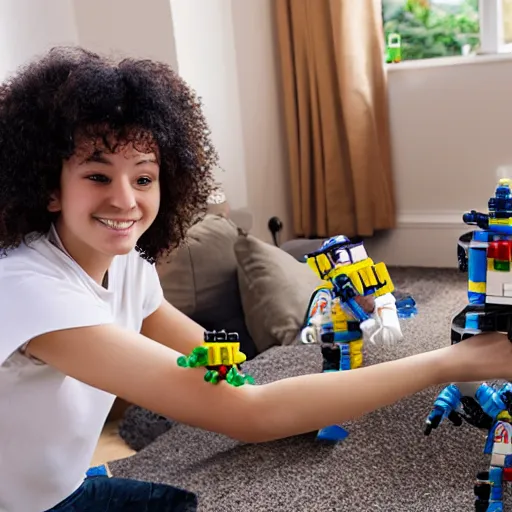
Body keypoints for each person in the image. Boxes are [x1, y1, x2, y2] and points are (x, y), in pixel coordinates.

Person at [1, 46, 512, 512]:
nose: (125, 201)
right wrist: (451, 361)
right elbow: (246, 412)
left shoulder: (128, 263)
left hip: (66, 485)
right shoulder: (31, 290)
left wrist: (309, 398)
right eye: (97, 176)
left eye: (143, 177)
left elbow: (223, 366)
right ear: (50, 187)